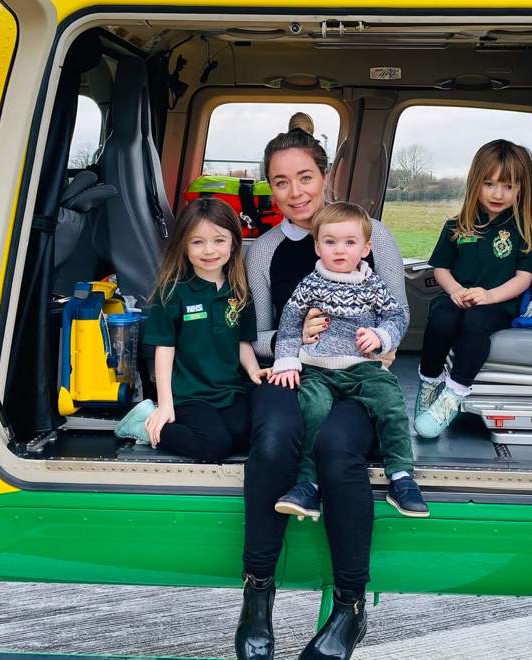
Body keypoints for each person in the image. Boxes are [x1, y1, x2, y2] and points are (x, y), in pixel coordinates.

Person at [237, 122, 408, 660]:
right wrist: (297, 337)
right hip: (294, 370)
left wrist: (370, 343)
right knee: (273, 439)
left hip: (358, 373)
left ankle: (349, 606)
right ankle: (258, 590)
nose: (296, 193)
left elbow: (396, 325)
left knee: (338, 447)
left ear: (326, 176)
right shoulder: (263, 252)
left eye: (305, 177)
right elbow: (260, 336)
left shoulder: (373, 236)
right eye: (280, 183)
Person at [269, 202, 427, 521]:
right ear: (317, 246)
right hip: (318, 368)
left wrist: (381, 337)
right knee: (312, 412)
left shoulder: (372, 284)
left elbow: (396, 316)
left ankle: (401, 477)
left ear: (366, 248)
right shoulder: (310, 285)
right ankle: (308, 485)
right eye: (330, 242)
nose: (340, 250)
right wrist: (286, 360)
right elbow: (288, 323)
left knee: (391, 404)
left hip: (364, 367)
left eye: (350, 242)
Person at [414, 139, 532, 439]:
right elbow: (441, 269)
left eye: (508, 186)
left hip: (498, 302)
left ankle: (454, 393)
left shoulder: (524, 230)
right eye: (489, 184)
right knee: (441, 318)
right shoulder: (457, 226)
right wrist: (455, 291)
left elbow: (523, 278)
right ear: (476, 183)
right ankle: (431, 383)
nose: (498, 194)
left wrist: (490, 296)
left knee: (477, 322)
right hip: (458, 296)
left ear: (521, 189)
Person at [121, 198, 266, 459]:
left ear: (234, 243)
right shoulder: (174, 292)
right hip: (189, 396)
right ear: (184, 246)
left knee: (249, 438)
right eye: (197, 242)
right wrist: (166, 404)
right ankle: (145, 423)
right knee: (214, 446)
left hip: (228, 391)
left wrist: (254, 371)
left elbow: (242, 342)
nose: (209, 250)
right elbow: (164, 351)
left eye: (219, 240)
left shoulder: (240, 292)